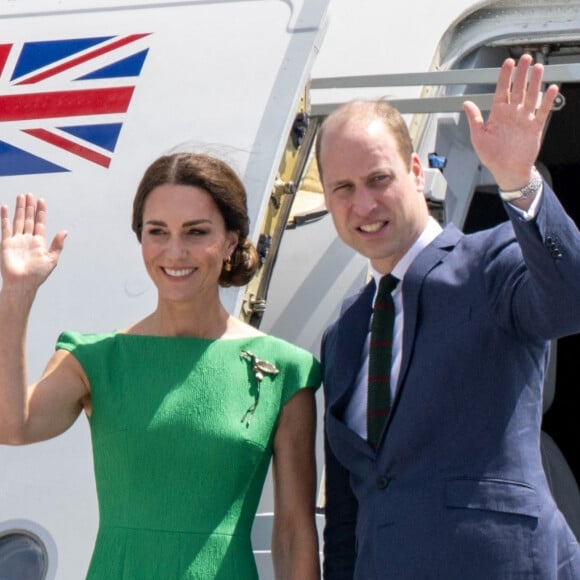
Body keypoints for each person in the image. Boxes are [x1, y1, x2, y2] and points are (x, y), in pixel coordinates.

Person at [317, 54, 580, 579]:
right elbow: (348, 509)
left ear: (417, 172)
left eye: (378, 178)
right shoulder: (343, 332)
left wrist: (519, 182)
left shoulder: (493, 259)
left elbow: (570, 299)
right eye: (343, 188)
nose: (363, 203)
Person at [0, 152, 321, 579]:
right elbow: (13, 425)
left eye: (196, 232)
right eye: (158, 232)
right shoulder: (95, 359)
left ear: (230, 240)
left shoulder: (284, 370)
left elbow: (295, 533)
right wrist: (16, 293)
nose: (175, 251)